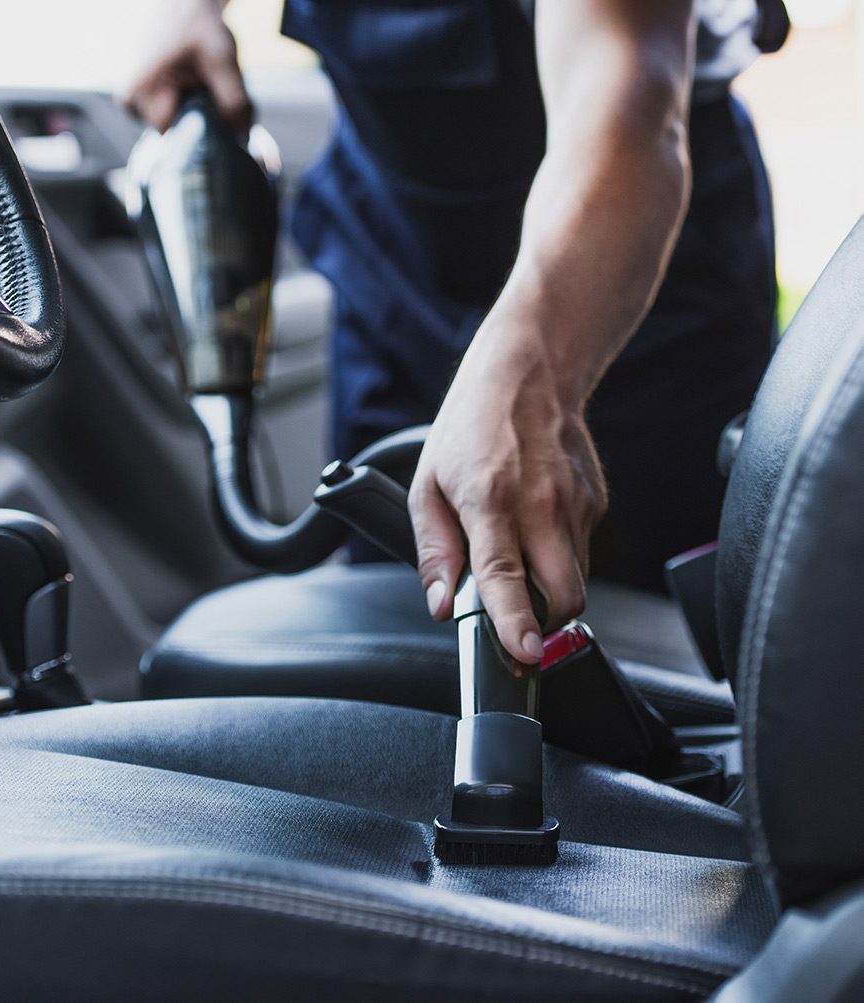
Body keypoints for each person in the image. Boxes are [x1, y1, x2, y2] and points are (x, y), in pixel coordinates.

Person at [127, 0, 784, 667]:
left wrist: (535, 376)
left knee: (668, 667)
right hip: (395, 244)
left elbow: (624, 93)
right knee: (401, 623)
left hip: (632, 270)